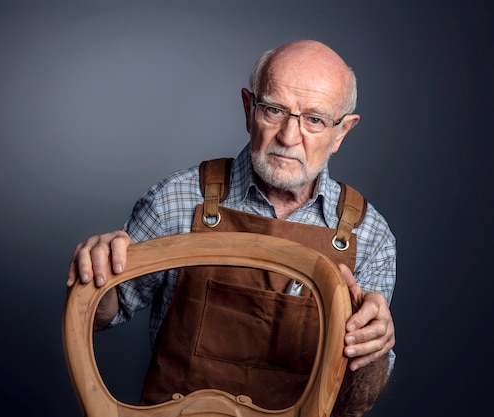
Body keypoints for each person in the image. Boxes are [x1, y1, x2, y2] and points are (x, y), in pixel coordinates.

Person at [67, 40, 396, 416]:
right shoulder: (176, 199)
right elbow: (99, 316)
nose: (289, 137)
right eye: (274, 110)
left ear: (342, 132)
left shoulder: (369, 237)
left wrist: (374, 350)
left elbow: (356, 404)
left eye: (314, 120)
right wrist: (95, 274)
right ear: (248, 108)